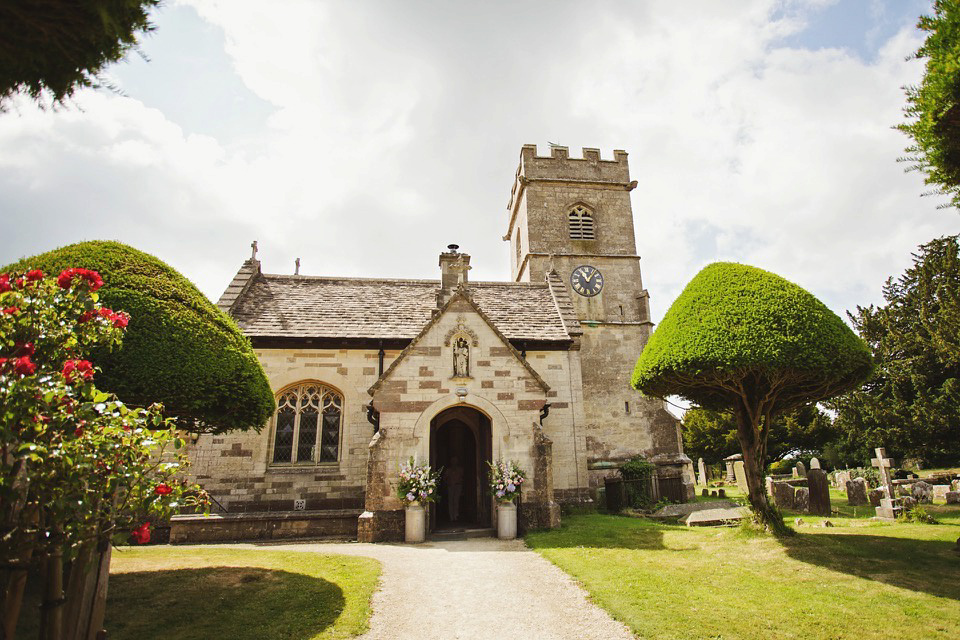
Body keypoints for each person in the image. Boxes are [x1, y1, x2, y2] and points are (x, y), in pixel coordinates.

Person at [443, 457, 465, 522]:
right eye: (453, 461)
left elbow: (462, 477)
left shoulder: (460, 469)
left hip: (458, 486)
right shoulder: (448, 470)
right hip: (451, 486)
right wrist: (448, 482)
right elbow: (444, 478)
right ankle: (451, 516)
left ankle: (456, 516)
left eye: (455, 461)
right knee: (451, 501)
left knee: (456, 501)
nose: (454, 462)